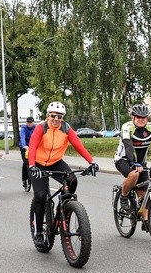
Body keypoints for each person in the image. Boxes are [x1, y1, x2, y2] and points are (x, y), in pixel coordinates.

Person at [27, 102, 98, 244]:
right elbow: (33, 146)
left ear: (63, 117)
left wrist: (91, 162)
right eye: (53, 116)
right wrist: (32, 165)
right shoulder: (42, 127)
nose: (56, 119)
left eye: (59, 116)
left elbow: (78, 145)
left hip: (55, 162)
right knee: (40, 196)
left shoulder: (66, 128)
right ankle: (39, 232)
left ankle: (64, 208)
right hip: (38, 163)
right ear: (48, 115)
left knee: (72, 180)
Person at [19, 116, 37, 191]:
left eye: (31, 122)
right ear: (26, 122)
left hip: (33, 147)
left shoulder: (36, 128)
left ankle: (31, 178)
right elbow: (22, 137)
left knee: (34, 162)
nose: (29, 124)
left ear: (33, 122)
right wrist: (24, 145)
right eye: (28, 122)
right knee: (26, 162)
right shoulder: (23, 129)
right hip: (25, 147)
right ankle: (24, 180)